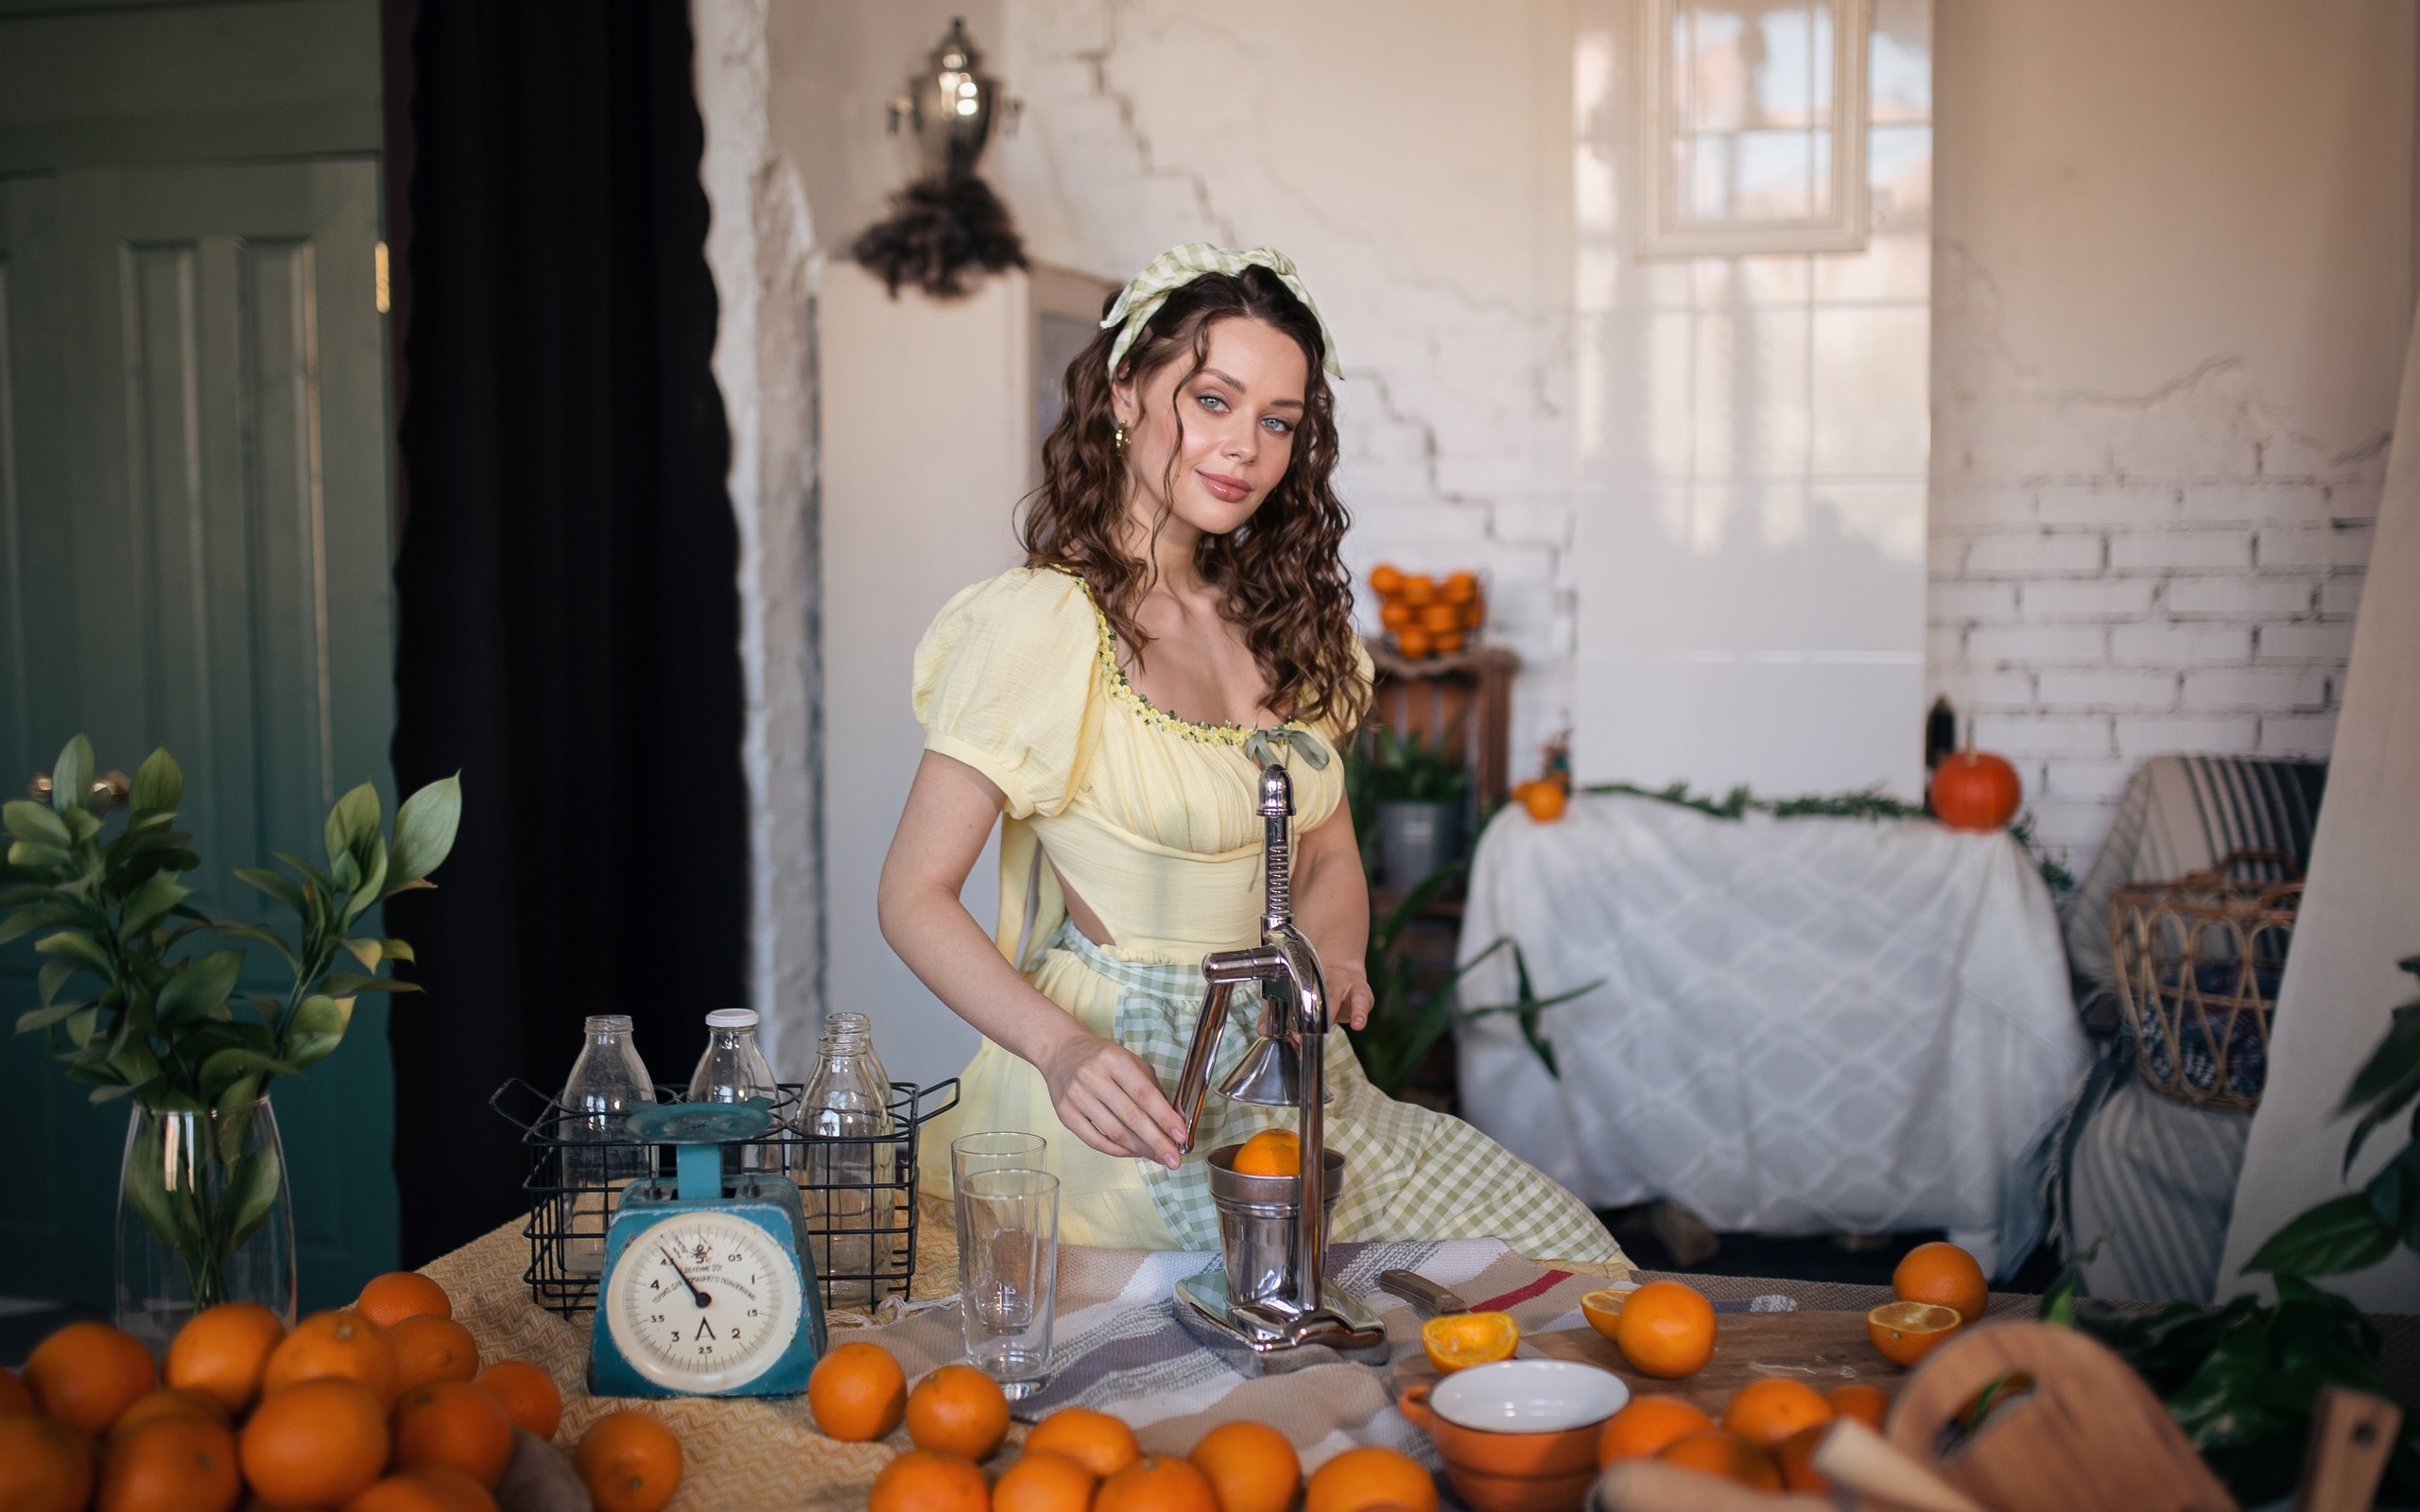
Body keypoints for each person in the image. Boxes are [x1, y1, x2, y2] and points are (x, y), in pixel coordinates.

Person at [880, 244, 1619, 1266]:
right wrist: (1059, 1048)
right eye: (1214, 400)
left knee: (1565, 1256)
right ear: (1126, 390)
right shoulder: (1045, 625)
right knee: (1280, 1323)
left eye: (1277, 421)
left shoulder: (1287, 622)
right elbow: (912, 894)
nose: (1245, 448)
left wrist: (1340, 959)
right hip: (1131, 1088)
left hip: (1289, 1066)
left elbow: (1323, 856)